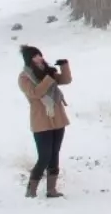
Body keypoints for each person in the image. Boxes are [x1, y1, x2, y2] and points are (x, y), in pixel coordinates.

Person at [18, 45, 73, 198]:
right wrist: (48, 77)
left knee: (54, 153)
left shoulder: (47, 72)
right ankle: (31, 190)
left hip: (57, 118)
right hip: (41, 120)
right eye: (35, 56)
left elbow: (66, 80)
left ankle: (51, 189)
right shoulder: (24, 77)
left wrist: (64, 65)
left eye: (40, 55)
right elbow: (35, 93)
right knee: (44, 156)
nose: (39, 58)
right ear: (29, 59)